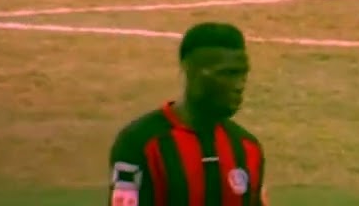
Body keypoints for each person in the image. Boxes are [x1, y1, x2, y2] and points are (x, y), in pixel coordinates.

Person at [108, 22, 267, 205]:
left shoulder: (247, 148)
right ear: (190, 71)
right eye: (227, 74)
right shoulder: (140, 142)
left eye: (242, 74)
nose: (239, 85)